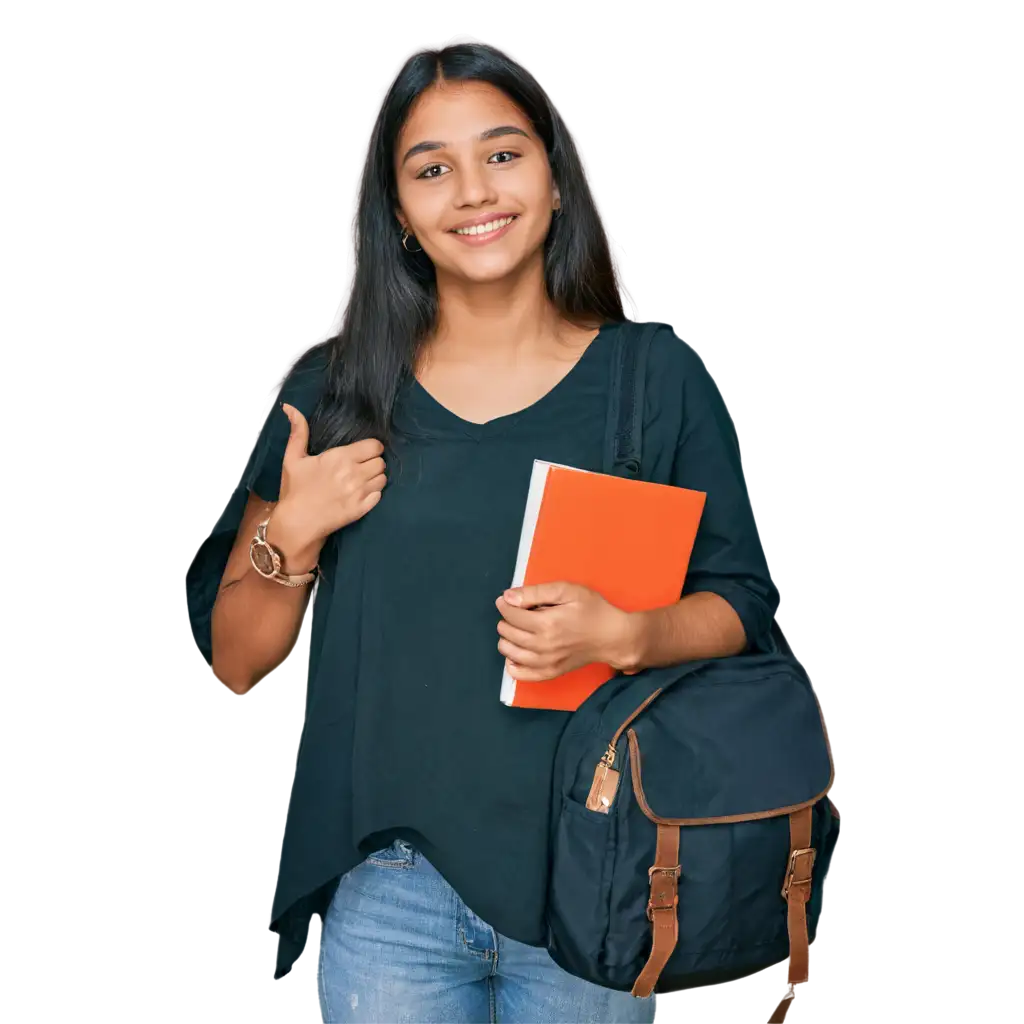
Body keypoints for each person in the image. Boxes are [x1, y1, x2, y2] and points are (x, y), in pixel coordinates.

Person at [204, 40, 778, 1024]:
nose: (474, 190)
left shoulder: (651, 380)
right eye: (432, 168)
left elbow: (743, 605)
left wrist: (627, 634)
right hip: (393, 895)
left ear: (554, 180)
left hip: (597, 878)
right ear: (400, 215)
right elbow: (237, 660)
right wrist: (290, 537)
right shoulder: (336, 396)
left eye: (503, 154)